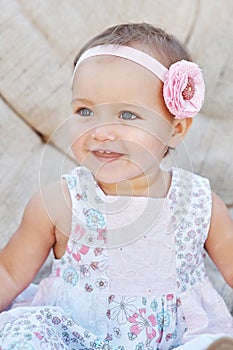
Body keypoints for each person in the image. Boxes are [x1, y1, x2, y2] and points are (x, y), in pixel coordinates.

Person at [0, 23, 233, 350]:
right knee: (29, 334)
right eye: (85, 111)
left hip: (175, 340)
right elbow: (9, 272)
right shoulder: (60, 202)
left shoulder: (198, 204)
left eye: (127, 115)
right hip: (76, 338)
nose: (100, 131)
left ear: (176, 129)